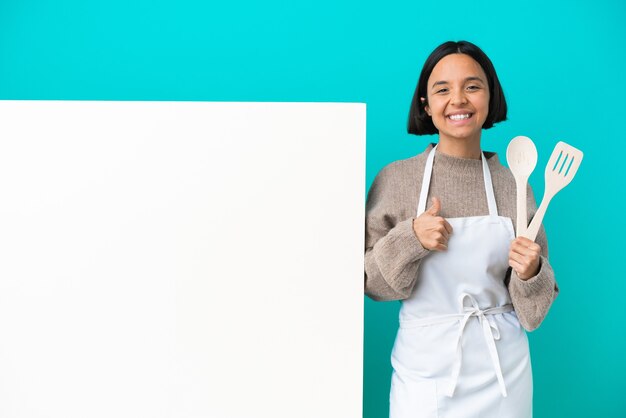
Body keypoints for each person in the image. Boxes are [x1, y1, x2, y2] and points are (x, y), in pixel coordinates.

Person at [364, 40, 559, 418]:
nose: (458, 100)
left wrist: (532, 271)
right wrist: (411, 239)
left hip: (504, 374)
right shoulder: (397, 180)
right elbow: (369, 283)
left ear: (490, 97)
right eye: (442, 89)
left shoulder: (514, 184)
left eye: (472, 86)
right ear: (425, 103)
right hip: (425, 373)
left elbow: (533, 313)